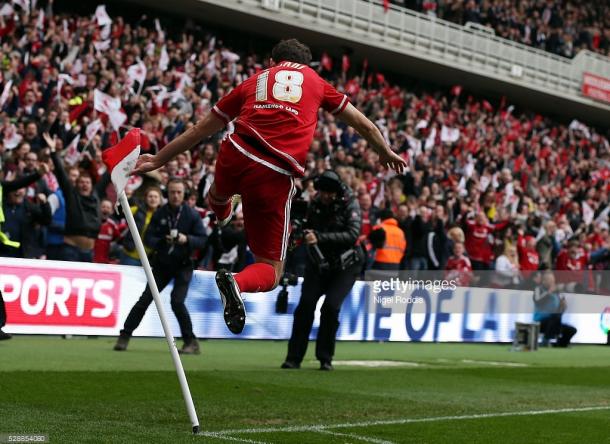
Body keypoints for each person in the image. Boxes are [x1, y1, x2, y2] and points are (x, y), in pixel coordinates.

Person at [133, 38, 406, 334]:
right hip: (274, 173)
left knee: (222, 191)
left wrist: (159, 159)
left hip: (235, 150)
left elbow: (201, 129)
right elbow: (363, 124)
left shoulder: (255, 80)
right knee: (271, 270)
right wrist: (384, 151)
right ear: (306, 64)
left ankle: (220, 201)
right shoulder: (316, 81)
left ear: (274, 62)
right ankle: (236, 282)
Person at [282, 170, 363, 370]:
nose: (325, 196)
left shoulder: (350, 203)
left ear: (336, 192)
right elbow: (303, 227)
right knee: (305, 305)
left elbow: (353, 234)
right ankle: (294, 357)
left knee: (331, 306)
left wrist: (320, 237)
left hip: (346, 264)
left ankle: (325, 358)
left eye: (329, 192)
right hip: (318, 261)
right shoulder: (314, 204)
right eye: (322, 192)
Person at [114, 179, 206, 354]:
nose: (175, 196)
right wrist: (163, 241)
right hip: (162, 264)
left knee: (177, 302)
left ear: (185, 194)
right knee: (145, 299)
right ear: (167, 194)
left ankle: (190, 341)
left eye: (179, 192)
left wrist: (187, 240)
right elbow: (148, 238)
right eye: (172, 192)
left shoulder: (192, 215)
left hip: (183, 265)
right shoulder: (160, 213)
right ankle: (124, 336)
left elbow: (202, 240)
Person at [44, 133, 108, 262]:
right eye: (81, 182)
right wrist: (53, 151)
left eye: (87, 182)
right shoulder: (71, 195)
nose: (84, 185)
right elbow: (61, 173)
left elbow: (108, 176)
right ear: (76, 184)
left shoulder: (96, 195)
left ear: (92, 185)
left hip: (89, 253)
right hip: (70, 251)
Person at [120, 186, 162, 266]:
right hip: (130, 256)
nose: (153, 199)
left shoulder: (163, 216)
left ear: (160, 200)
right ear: (145, 199)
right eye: (150, 196)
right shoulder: (136, 210)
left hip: (150, 259)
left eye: (156, 197)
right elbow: (119, 212)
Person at [533, 271, 577, 347]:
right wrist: (549, 292)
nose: (552, 282)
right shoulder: (538, 289)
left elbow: (559, 312)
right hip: (540, 321)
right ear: (544, 281)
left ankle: (560, 344)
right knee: (555, 318)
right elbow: (537, 301)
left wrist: (563, 306)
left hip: (554, 322)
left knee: (571, 330)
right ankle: (545, 341)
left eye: (553, 280)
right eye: (550, 280)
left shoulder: (557, 293)